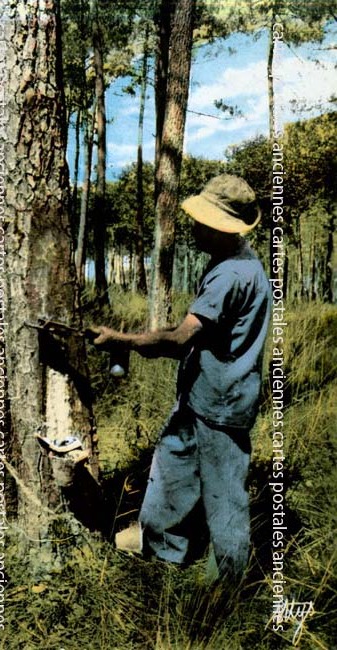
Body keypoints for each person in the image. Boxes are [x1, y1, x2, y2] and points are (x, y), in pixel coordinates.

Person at [91, 174, 270, 582]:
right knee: (172, 465)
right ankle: (162, 545)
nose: (195, 227)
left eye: (204, 221)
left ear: (225, 229)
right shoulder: (235, 260)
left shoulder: (229, 276)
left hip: (224, 405)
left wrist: (123, 339)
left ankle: (228, 585)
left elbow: (178, 339)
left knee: (225, 497)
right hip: (201, 395)